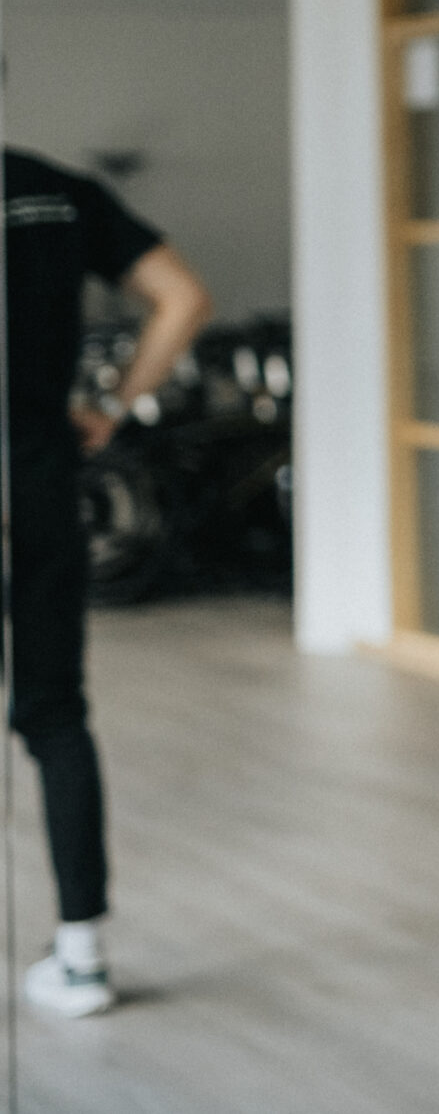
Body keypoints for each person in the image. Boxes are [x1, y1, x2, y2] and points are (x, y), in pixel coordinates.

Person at [4, 146, 212, 1017]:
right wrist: (117, 403)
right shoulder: (57, 190)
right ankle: (82, 954)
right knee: (55, 715)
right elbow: (183, 299)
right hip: (40, 477)